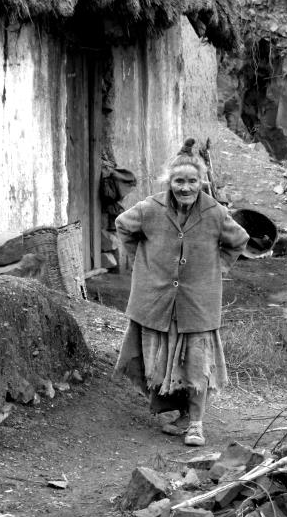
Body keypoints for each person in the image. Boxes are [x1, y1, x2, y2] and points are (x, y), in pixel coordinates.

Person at [112, 138, 249, 446]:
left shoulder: (214, 212)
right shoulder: (150, 208)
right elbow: (123, 225)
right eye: (179, 181)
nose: (185, 188)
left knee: (196, 363)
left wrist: (218, 266)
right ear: (169, 182)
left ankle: (196, 424)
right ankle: (183, 414)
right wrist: (142, 261)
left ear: (201, 182)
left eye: (192, 182)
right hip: (157, 301)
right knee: (164, 362)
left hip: (197, 303)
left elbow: (239, 240)